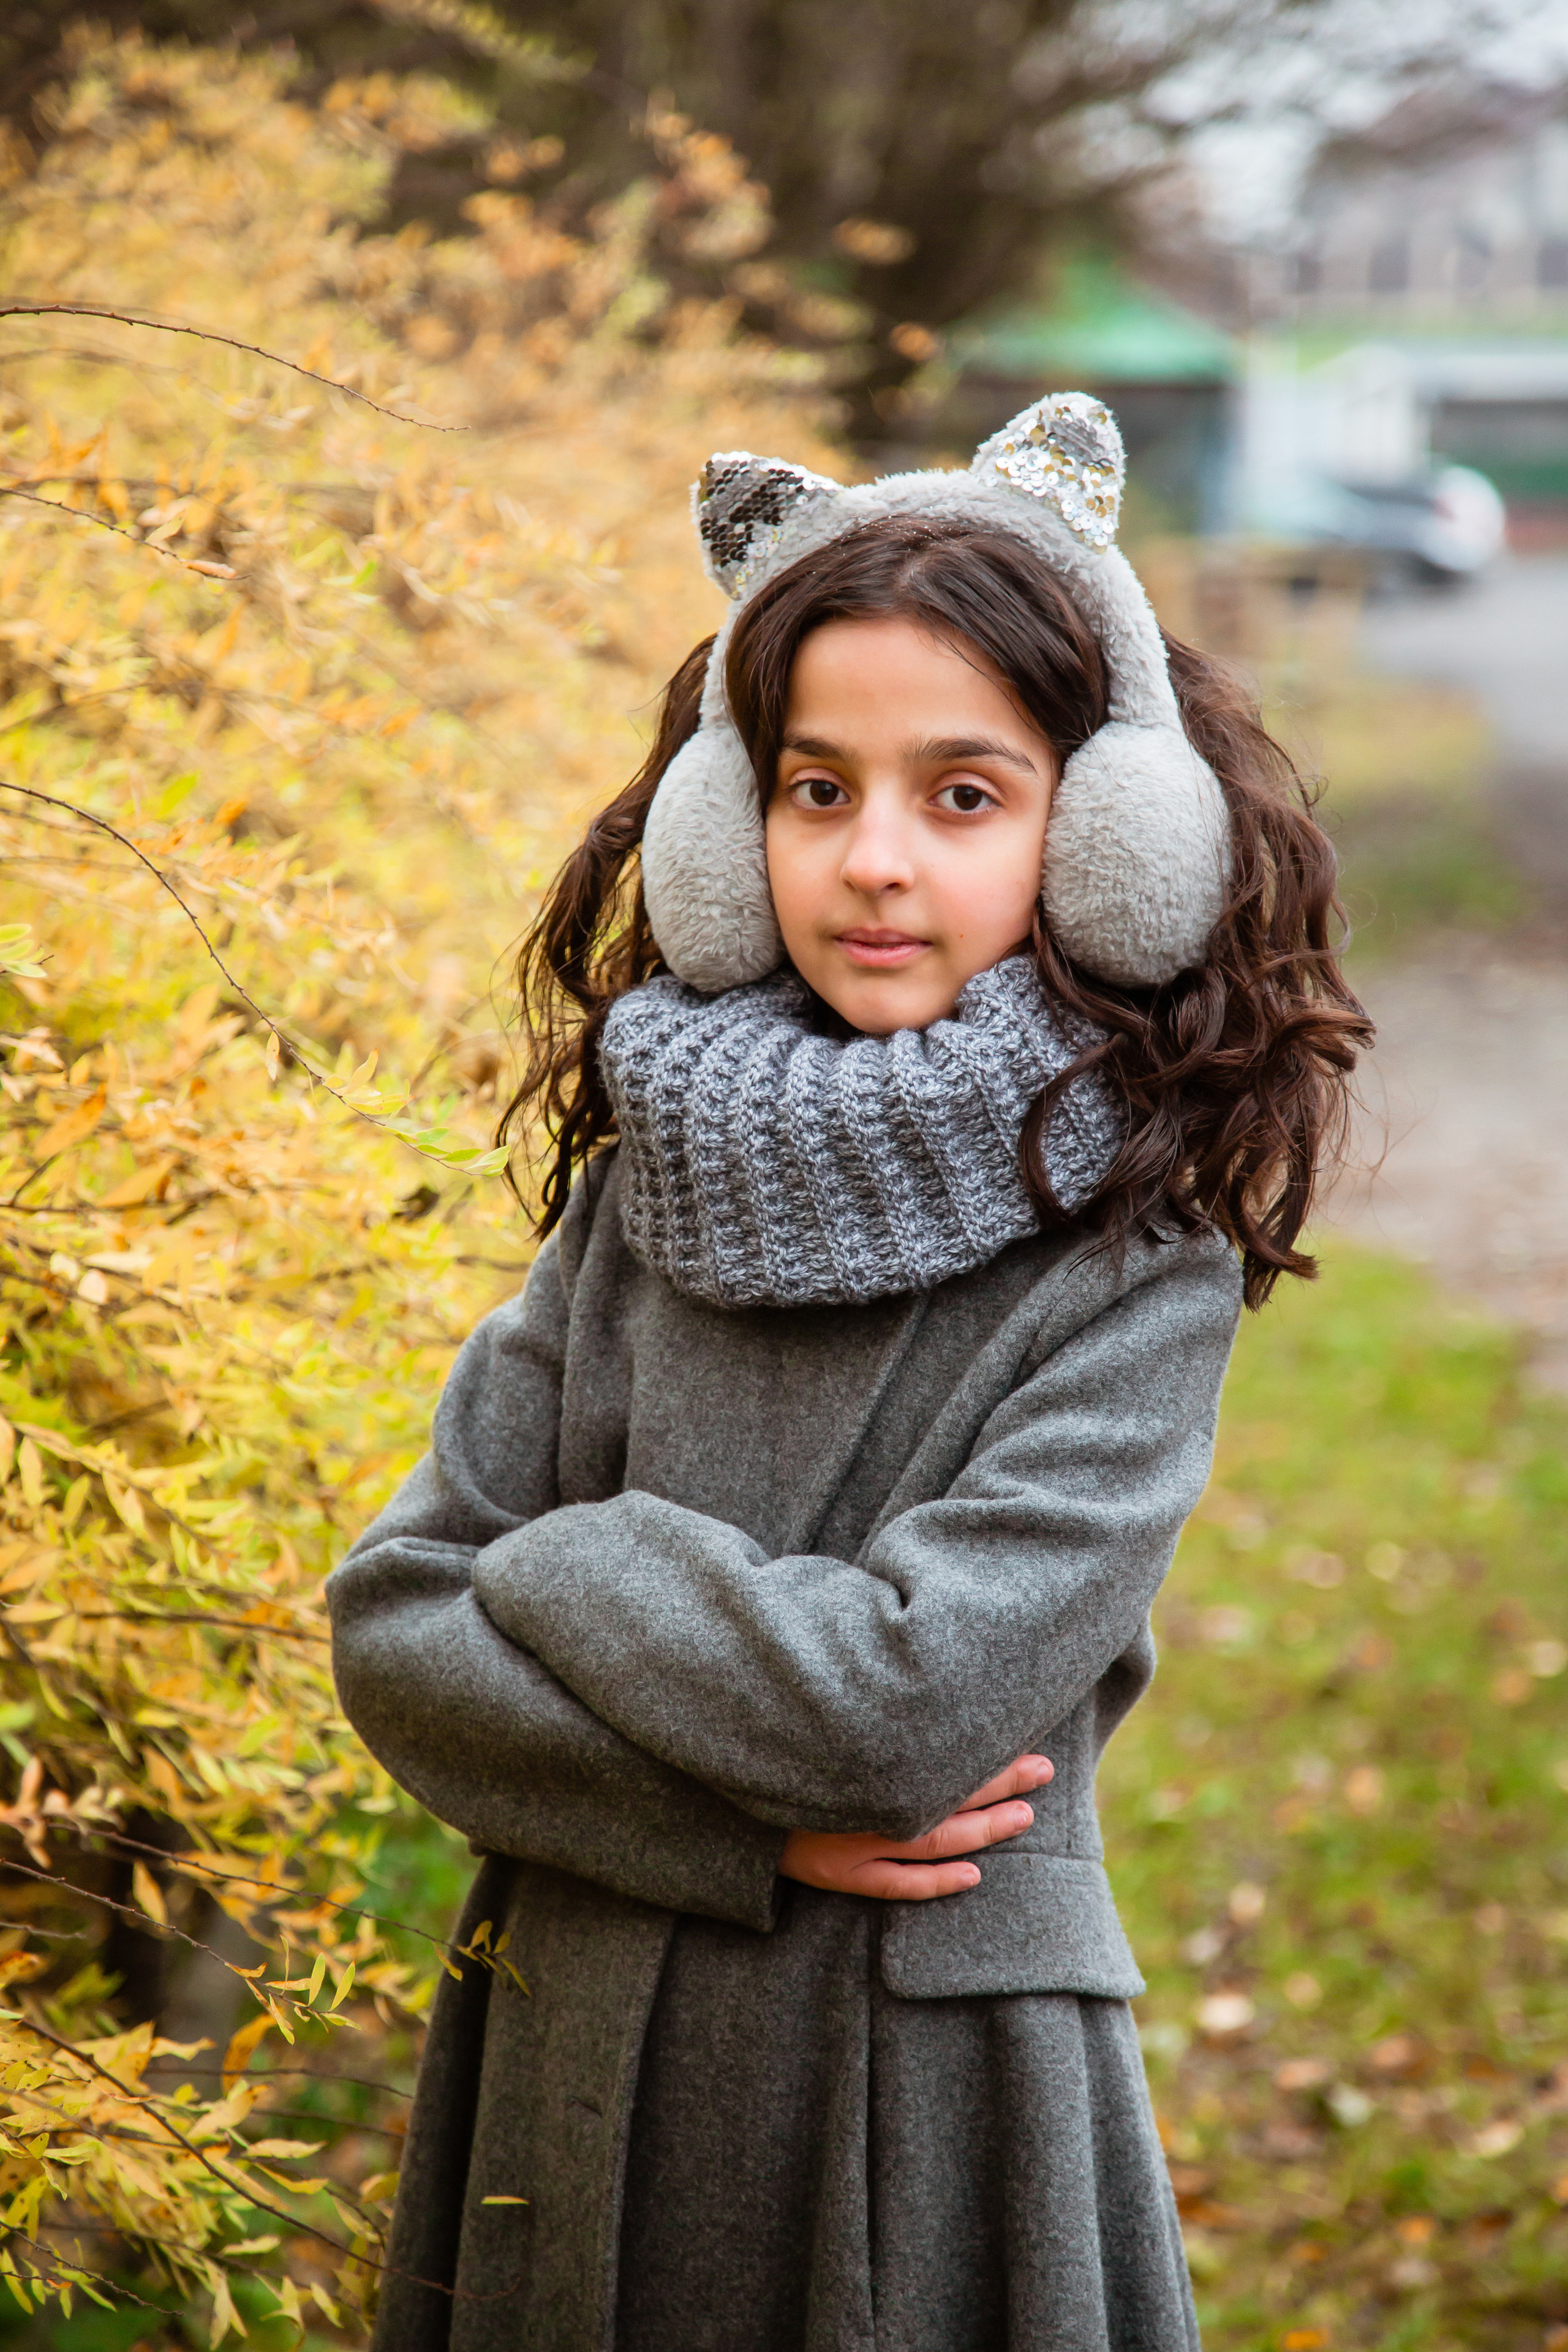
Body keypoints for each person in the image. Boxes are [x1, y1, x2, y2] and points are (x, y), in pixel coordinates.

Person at [327, 394, 1371, 2352]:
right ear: (740, 828)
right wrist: (734, 1830)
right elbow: (395, 1628)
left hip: (923, 2081)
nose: (875, 859)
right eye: (819, 791)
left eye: (961, 795)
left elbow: (906, 1706)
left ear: (1110, 834)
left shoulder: (1134, 1269)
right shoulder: (644, 1203)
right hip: (581, 2026)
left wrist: (569, 1564)